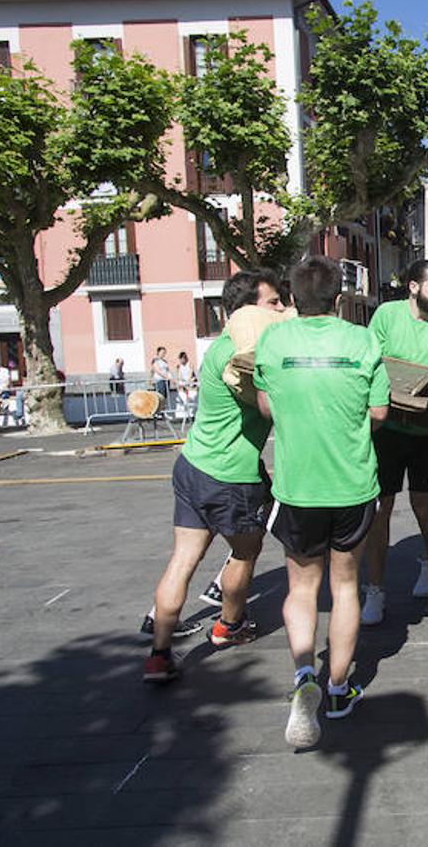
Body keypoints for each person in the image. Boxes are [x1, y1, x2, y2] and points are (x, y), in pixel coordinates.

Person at [255, 256, 389, 747]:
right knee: (346, 586)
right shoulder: (362, 341)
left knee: (302, 589)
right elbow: (378, 412)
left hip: (298, 487)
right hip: (352, 484)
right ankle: (337, 688)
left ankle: (301, 677)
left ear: (291, 299)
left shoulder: (274, 341)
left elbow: (266, 405)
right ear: (339, 300)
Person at [142, 269, 285, 684]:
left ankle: (158, 655)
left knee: (183, 560)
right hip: (233, 478)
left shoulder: (219, 347)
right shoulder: (239, 358)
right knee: (245, 552)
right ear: (247, 312)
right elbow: (269, 406)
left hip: (193, 467)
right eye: (273, 303)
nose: (280, 309)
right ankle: (229, 626)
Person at [360, 259, 428, 625]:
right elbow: (374, 362)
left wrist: (400, 379)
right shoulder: (387, 315)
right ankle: (374, 590)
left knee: (423, 505)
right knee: (379, 510)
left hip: (425, 431)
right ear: (414, 287)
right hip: (386, 430)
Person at [174, 351, 197, 421]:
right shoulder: (179, 366)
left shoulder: (190, 364)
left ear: (185, 358)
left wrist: (187, 382)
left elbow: (191, 374)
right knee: (183, 399)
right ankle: (183, 416)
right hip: (183, 384)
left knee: (192, 398)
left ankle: (192, 414)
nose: (181, 361)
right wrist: (180, 382)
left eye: (182, 359)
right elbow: (179, 375)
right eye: (180, 359)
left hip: (191, 383)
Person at [151, 346, 173, 413]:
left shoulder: (164, 361)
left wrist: (171, 378)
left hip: (166, 381)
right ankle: (158, 412)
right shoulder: (155, 361)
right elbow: (157, 370)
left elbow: (167, 370)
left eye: (164, 352)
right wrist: (165, 376)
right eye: (162, 352)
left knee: (165, 397)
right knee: (160, 397)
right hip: (160, 380)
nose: (164, 354)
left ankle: (164, 412)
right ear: (158, 352)